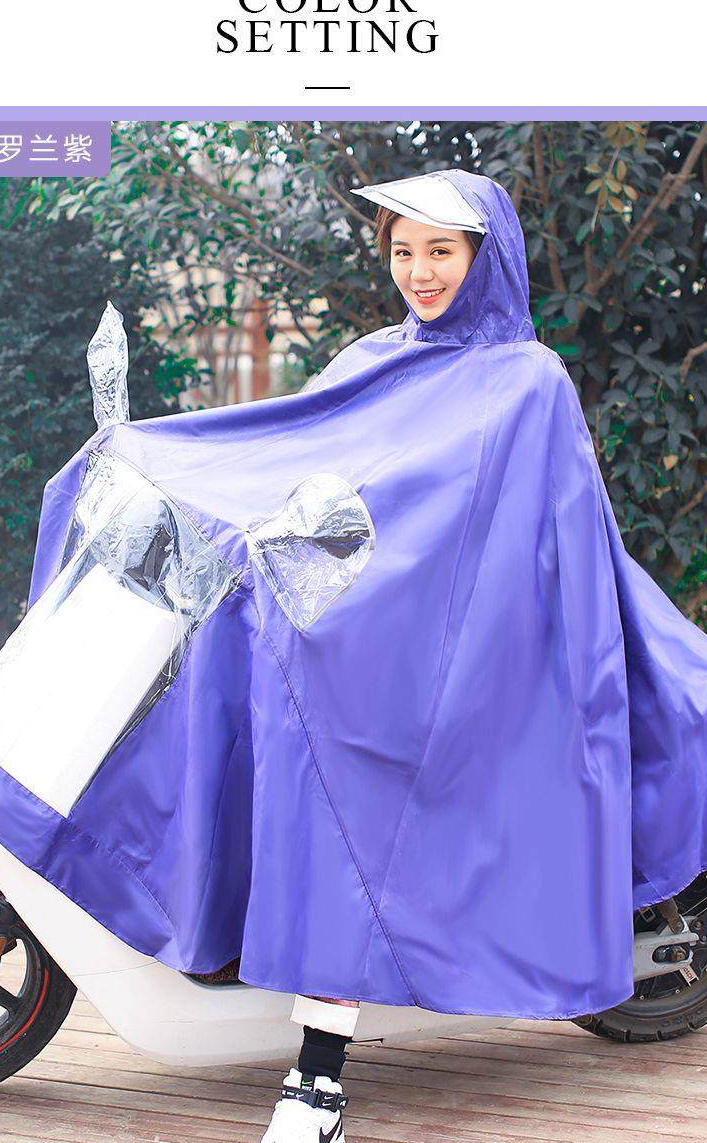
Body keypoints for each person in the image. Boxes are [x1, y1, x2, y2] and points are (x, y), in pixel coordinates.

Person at [260, 189, 483, 1143]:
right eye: (402, 252)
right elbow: (282, 452)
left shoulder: (526, 379)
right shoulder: (370, 361)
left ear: (485, 255)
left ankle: (318, 1081)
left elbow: (527, 530)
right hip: (354, 626)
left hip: (466, 648)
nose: (419, 273)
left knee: (341, 791)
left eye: (442, 251)